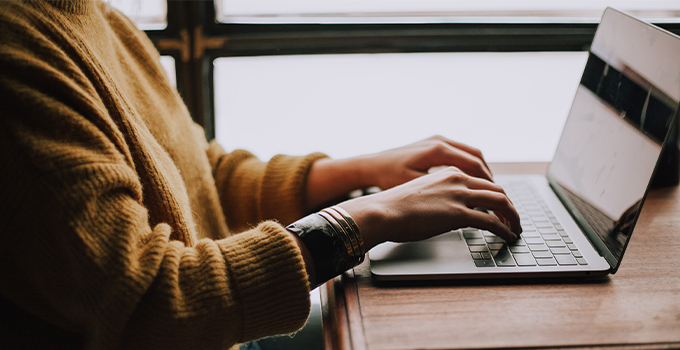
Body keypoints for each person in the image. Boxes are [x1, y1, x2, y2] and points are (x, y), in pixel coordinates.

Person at [0, 1, 521, 349]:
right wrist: (365, 218)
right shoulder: (17, 58)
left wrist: (363, 171)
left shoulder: (95, 17)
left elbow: (202, 177)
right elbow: (151, 302)